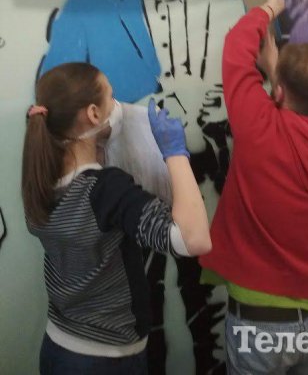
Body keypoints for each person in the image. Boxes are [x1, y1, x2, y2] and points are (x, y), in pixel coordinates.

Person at [200, 0, 308, 374]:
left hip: (258, 323)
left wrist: (269, 7)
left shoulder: (259, 128)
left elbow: (236, 46)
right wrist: (277, 76)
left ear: (281, 90)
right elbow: (295, 124)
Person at [22, 62, 211, 375]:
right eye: (112, 96)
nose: (119, 104)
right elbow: (194, 239)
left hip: (58, 346)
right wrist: (175, 152)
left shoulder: (39, 181)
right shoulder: (106, 190)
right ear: (94, 114)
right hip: (106, 359)